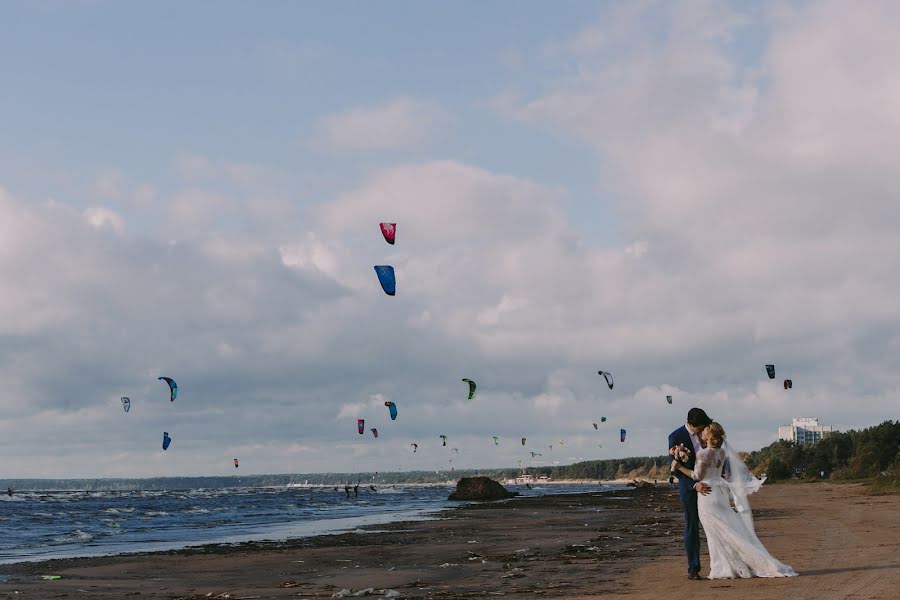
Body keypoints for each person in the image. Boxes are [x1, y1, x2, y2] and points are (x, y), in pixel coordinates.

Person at [672, 422, 798, 580]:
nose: (701, 432)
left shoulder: (703, 454)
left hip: (706, 495)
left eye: (704, 430)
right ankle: (726, 567)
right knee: (727, 530)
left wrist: (679, 467)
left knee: (715, 534)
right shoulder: (722, 453)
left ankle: (722, 568)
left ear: (709, 436)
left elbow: (697, 476)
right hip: (719, 492)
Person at [669, 407, 714, 580]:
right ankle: (693, 568)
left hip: (710, 486)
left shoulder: (707, 433)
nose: (703, 430)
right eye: (700, 427)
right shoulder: (675, 437)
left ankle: (722, 563)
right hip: (689, 488)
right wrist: (694, 485)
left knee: (716, 523)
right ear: (691, 425)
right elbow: (675, 468)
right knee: (692, 526)